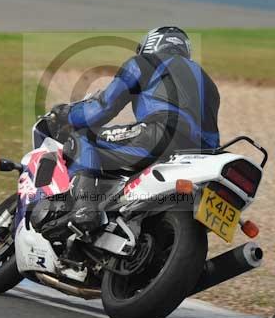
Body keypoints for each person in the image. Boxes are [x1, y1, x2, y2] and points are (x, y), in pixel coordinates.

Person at [50, 26, 221, 234]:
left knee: (83, 139)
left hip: (160, 135)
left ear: (150, 45)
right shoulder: (209, 83)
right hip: (202, 154)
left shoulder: (146, 62)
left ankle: (85, 208)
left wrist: (67, 114)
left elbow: (103, 107)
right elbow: (212, 132)